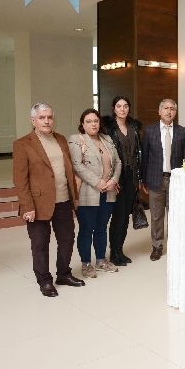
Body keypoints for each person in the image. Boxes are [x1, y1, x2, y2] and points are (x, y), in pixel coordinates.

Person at [12, 103, 85, 297]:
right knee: (40, 244)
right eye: (42, 117)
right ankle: (44, 280)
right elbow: (20, 179)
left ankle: (64, 274)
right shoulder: (22, 144)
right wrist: (27, 206)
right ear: (33, 120)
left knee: (67, 240)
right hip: (37, 204)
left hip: (63, 200)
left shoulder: (61, 139)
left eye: (50, 117)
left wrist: (74, 197)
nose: (46, 121)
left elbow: (68, 170)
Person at [69, 109, 122, 278]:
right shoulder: (76, 140)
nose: (93, 124)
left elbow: (118, 162)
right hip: (88, 192)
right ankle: (86, 264)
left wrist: (113, 180)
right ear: (82, 124)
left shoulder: (107, 139)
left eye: (96, 121)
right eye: (89, 121)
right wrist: (97, 182)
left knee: (101, 228)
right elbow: (77, 165)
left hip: (108, 191)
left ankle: (101, 260)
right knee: (86, 229)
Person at [141, 99, 185, 261]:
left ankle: (174, 245)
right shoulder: (149, 131)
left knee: (175, 215)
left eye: (172, 109)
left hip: (176, 181)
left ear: (175, 113)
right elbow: (144, 157)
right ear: (159, 111)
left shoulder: (183, 132)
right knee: (156, 216)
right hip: (155, 180)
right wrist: (143, 179)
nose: (169, 111)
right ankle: (157, 246)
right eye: (165, 108)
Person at [102, 96, 143, 267]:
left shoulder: (134, 127)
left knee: (126, 215)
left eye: (125, 106)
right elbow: (106, 155)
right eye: (119, 106)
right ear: (113, 108)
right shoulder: (108, 129)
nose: (123, 109)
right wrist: (112, 178)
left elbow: (138, 153)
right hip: (117, 177)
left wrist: (139, 178)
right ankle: (114, 252)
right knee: (118, 216)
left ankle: (120, 250)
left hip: (131, 176)